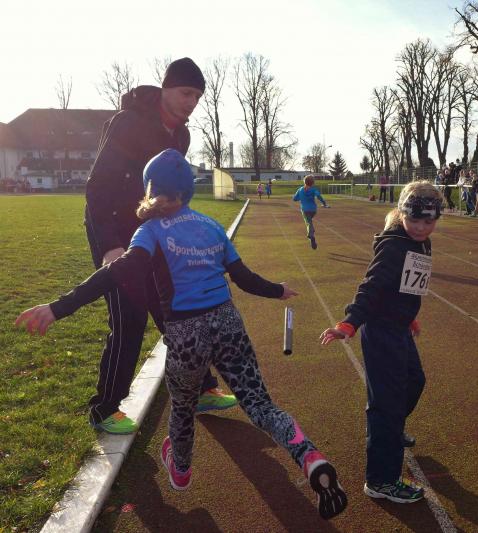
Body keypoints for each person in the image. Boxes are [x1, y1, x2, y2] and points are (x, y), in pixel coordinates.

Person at [15, 150, 348, 519]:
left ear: (149, 188)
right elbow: (243, 278)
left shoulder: (150, 231)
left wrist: (58, 308)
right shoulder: (212, 226)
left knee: (184, 407)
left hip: (186, 333)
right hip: (228, 323)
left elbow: (115, 273)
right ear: (188, 189)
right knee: (261, 406)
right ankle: (308, 455)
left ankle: (182, 470)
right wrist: (277, 290)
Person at [82, 57, 234, 434]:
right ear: (166, 88)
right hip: (115, 232)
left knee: (177, 310)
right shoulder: (128, 122)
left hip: (155, 233)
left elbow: (170, 189)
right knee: (130, 317)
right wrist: (110, 246)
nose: (191, 102)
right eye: (186, 93)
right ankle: (104, 409)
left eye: (197, 97)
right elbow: (97, 189)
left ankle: (202, 388)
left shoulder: (181, 136)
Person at [319, 181, 443, 504]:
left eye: (428, 221)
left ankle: (391, 428)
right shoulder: (394, 247)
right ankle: (381, 480)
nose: (420, 227)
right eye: (414, 220)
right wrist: (349, 323)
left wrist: (409, 316)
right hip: (381, 331)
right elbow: (371, 287)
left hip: (398, 326)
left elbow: (407, 288)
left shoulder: (421, 243)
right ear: (402, 214)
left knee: (415, 381)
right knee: (386, 405)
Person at [293, 176, 329, 250]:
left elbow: (295, 198)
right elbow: (318, 196)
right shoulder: (313, 189)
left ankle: (311, 235)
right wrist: (324, 204)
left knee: (308, 223)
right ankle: (311, 231)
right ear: (312, 183)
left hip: (305, 210)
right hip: (313, 210)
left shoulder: (300, 189)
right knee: (309, 221)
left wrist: (302, 198)